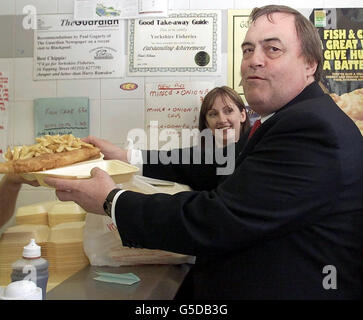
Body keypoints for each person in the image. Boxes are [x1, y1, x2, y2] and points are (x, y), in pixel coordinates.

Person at [45, 5, 363, 299]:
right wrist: (125, 155)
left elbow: (217, 219)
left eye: (273, 49)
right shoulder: (284, 121)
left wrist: (111, 201)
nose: (254, 59)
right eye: (248, 49)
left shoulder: (309, 128)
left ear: (310, 64)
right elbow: (200, 164)